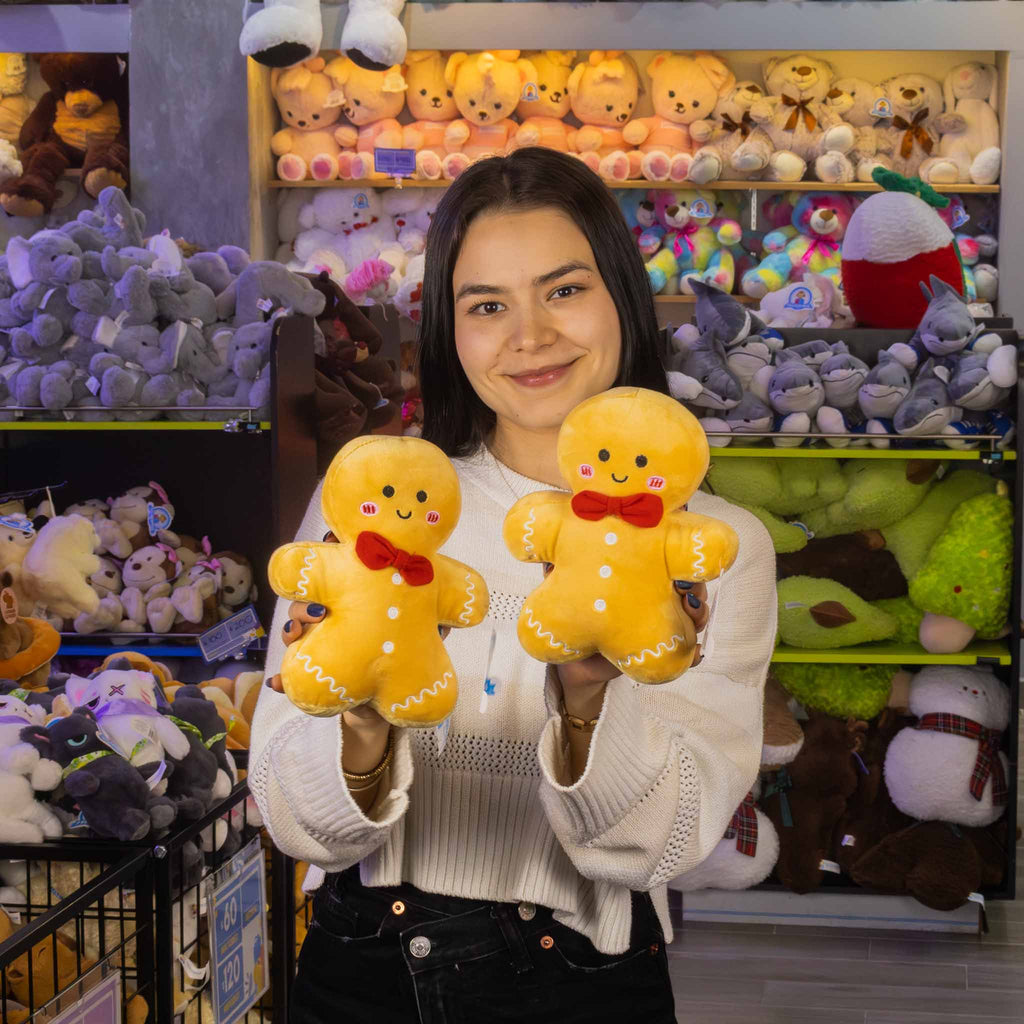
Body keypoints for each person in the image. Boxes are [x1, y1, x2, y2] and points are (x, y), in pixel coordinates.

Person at [250, 147, 777, 1024]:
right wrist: (361, 727)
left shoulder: (715, 548)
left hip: (582, 978)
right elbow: (295, 819)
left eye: (564, 290)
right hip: (365, 970)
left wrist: (589, 699)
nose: (529, 335)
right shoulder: (376, 507)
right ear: (450, 334)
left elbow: (663, 846)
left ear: (621, 297)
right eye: (486, 305)